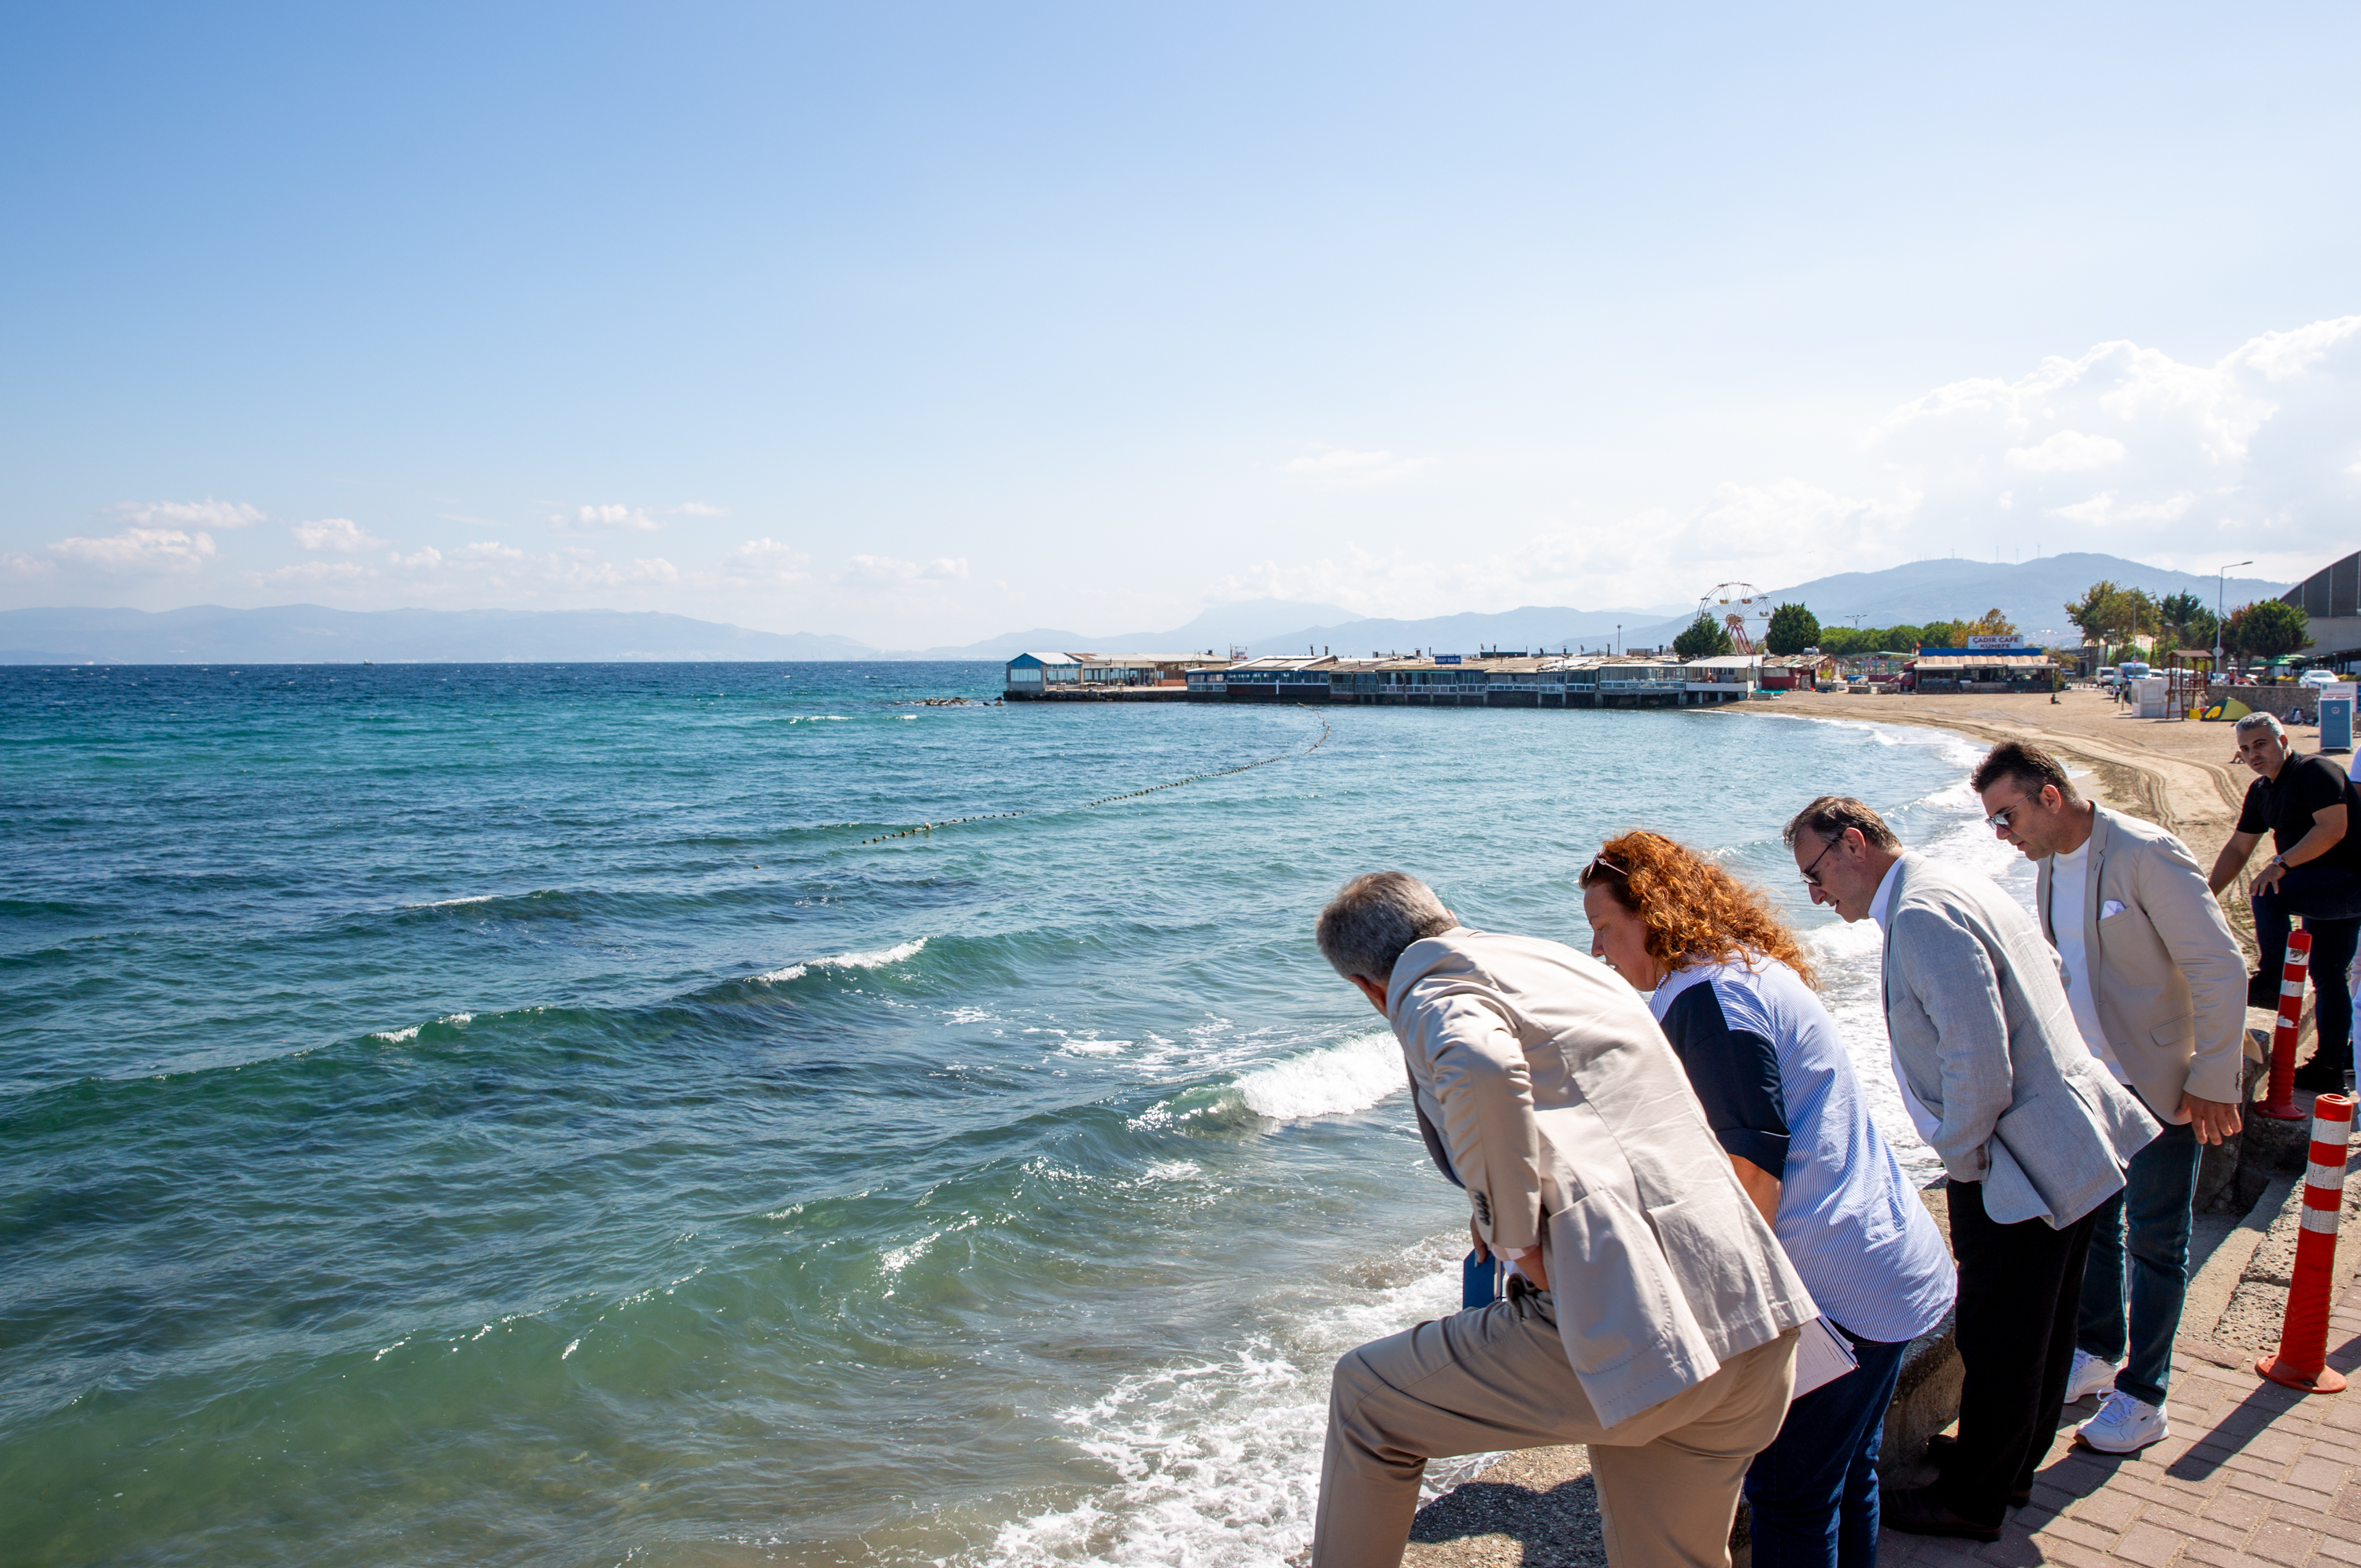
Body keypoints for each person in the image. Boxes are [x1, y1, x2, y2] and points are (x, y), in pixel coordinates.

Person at [1310, 872, 1814, 1568]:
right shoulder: (1563, 965)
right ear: (1445, 914)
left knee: (1366, 1399)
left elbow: (1482, 1065)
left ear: (1370, 988)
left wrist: (1508, 1231)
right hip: (1751, 1317)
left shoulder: (1428, 986)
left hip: (1642, 1334)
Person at [1785, 799, 2156, 1543]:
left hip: (2019, 1159)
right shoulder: (1951, 884)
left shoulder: (1919, 915)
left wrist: (1961, 1158)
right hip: (2073, 1135)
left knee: (2001, 1335)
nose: (1816, 894)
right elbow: (2044, 968)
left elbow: (1979, 1062)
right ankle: (2009, 1465)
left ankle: (1975, 1501)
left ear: (1851, 844)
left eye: (1815, 873)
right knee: (2044, 1329)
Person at [1580, 833, 1954, 1568]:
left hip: (1834, 1291)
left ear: (1651, 912)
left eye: (1603, 929)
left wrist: (1711, 1315)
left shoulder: (1705, 999)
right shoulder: (1749, 966)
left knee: (1789, 1495)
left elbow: (1752, 1170)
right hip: (1884, 1261)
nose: (1597, 953)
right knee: (1847, 1473)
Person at [1971, 741, 2247, 1455]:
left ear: (2050, 797)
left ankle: (2145, 1394)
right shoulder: (2048, 864)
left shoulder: (2145, 852)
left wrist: (2214, 1077)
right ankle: (2096, 1351)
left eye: (2008, 816)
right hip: (2090, 1084)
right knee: (2095, 1227)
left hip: (2162, 1085)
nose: (2004, 834)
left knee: (2160, 1241)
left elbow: (2218, 966)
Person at [2211, 712, 2361, 1090]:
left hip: (2349, 880)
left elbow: (2333, 829)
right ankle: (2329, 1067)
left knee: (2267, 891)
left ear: (2282, 739)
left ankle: (2272, 980)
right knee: (2328, 977)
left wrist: (2280, 863)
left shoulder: (2315, 770)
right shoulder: (2261, 791)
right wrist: (2206, 892)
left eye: (2260, 744)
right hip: (2321, 888)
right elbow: (2239, 847)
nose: (2252, 755)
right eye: (2245, 749)